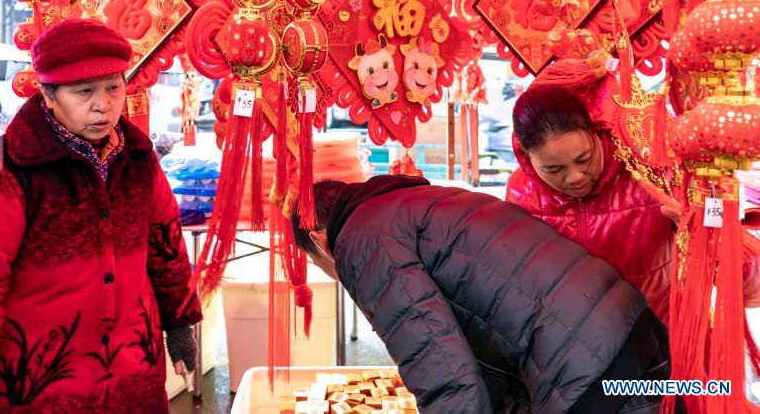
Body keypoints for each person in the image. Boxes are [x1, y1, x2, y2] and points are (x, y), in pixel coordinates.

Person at [0, 19, 202, 413]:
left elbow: (165, 245)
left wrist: (179, 322)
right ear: (48, 95)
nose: (102, 105)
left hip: (131, 377)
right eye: (84, 92)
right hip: (40, 388)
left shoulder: (138, 159)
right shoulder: (4, 172)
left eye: (113, 87)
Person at [294, 175, 678, 413]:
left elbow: (442, 369)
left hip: (586, 370)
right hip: (633, 333)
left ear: (321, 243)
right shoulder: (419, 201)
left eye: (319, 266)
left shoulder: (362, 241)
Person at [507, 64, 760, 323]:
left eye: (584, 159)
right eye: (553, 169)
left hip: (661, 337)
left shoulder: (654, 169)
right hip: (574, 345)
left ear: (595, 132)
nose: (575, 177)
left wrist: (709, 238)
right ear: (526, 157)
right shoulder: (522, 191)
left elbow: (752, 287)